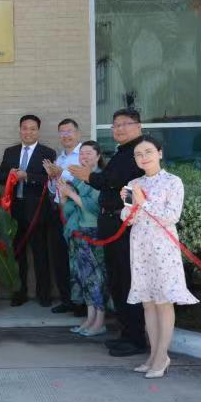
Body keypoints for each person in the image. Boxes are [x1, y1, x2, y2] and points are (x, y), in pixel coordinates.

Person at [69, 108, 146, 357]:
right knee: (117, 281)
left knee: (126, 280)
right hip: (111, 223)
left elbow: (116, 181)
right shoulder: (122, 152)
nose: (119, 128)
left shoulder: (138, 152)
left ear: (138, 126)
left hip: (124, 226)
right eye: (116, 125)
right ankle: (126, 333)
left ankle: (136, 338)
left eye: (125, 124)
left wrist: (90, 177)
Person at [121, 135, 198, 378]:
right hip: (140, 247)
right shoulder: (133, 183)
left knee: (163, 301)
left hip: (163, 248)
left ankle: (162, 356)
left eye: (148, 152)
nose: (143, 157)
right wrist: (128, 205)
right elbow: (127, 219)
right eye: (138, 154)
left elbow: (171, 216)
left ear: (160, 153)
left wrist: (143, 203)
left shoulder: (173, 182)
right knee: (148, 302)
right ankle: (153, 355)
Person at [0, 114, 57, 306]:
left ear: (38, 131)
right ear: (20, 129)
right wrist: (10, 174)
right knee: (18, 253)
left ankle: (44, 295)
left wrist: (27, 176)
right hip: (14, 210)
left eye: (32, 128)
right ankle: (19, 293)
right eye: (24, 128)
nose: (28, 132)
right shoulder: (10, 152)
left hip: (37, 210)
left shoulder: (47, 152)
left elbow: (50, 179)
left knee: (40, 253)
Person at [57, 141, 108, 336]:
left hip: (94, 233)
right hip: (77, 232)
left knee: (96, 278)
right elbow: (68, 209)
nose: (84, 157)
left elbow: (95, 207)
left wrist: (71, 194)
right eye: (82, 153)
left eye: (88, 153)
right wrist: (64, 196)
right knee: (83, 277)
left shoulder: (101, 179)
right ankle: (89, 318)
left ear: (98, 156)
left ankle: (100, 321)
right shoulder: (78, 179)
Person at [42, 118, 82, 314]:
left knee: (78, 258)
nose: (66, 135)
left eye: (69, 131)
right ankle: (67, 299)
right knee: (60, 258)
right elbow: (54, 189)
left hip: (77, 213)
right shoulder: (59, 158)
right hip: (59, 212)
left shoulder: (83, 155)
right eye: (62, 132)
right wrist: (52, 177)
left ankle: (81, 303)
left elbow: (84, 180)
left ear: (77, 133)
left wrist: (61, 173)